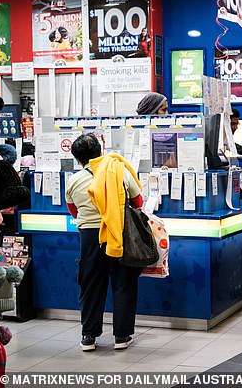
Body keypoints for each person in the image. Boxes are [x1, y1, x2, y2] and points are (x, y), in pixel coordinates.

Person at [65, 134, 144, 352]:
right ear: (101, 151)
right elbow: (138, 202)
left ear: (77, 159)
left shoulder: (74, 180)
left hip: (89, 238)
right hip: (118, 233)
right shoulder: (119, 171)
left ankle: (88, 336)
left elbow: (73, 210)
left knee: (90, 285)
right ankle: (122, 336)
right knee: (123, 284)